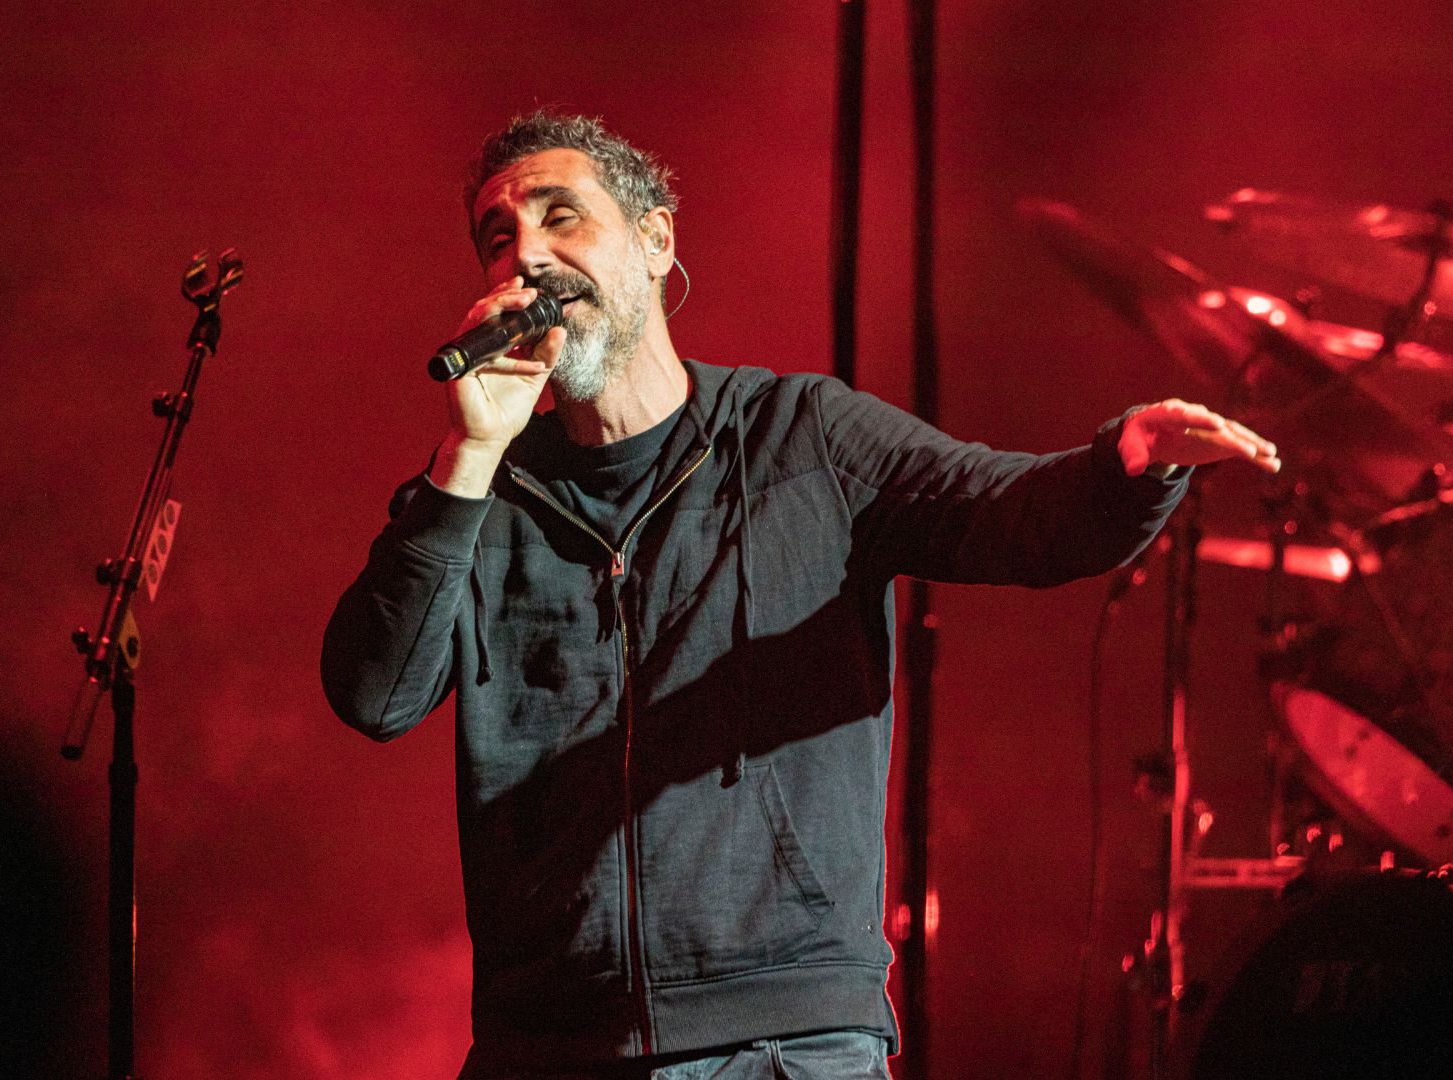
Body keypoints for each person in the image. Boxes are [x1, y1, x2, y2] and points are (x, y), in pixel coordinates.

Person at [320, 109, 1279, 1079]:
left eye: (561, 217)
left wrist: (1131, 464)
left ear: (655, 240)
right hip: (548, 1052)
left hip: (783, 1047)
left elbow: (1019, 519)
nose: (526, 255)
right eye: (499, 238)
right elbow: (374, 693)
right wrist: (471, 454)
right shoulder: (476, 494)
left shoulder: (804, 437)